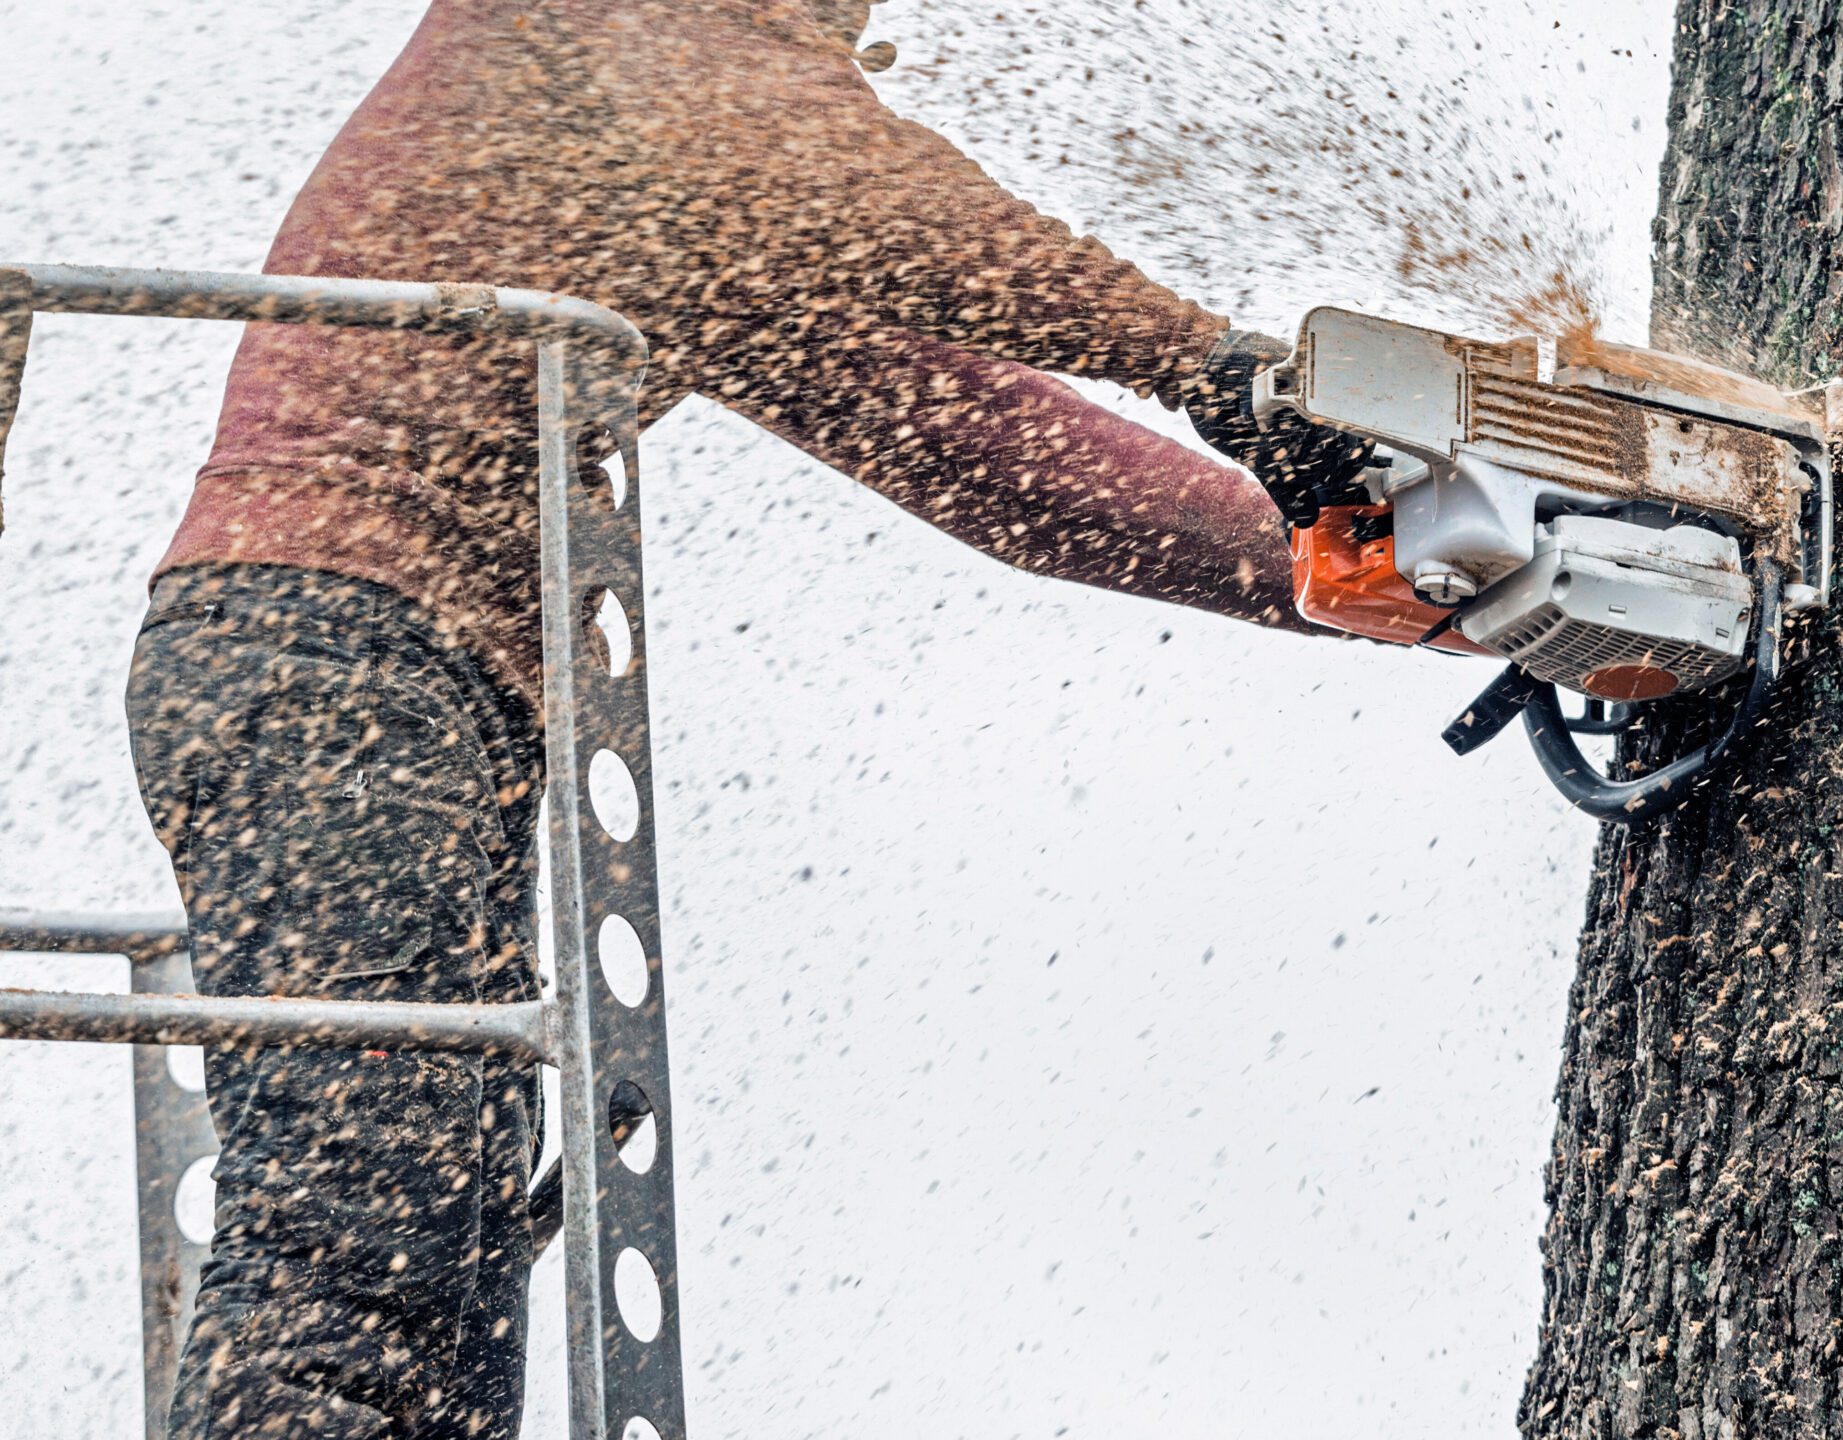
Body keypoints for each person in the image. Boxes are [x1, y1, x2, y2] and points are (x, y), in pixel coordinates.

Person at [122, 2, 1370, 1435]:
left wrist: (1392, 578)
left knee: (452, 1250)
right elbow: (845, 176)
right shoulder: (603, 37)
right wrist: (1209, 363)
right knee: (364, 1215)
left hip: (398, 696)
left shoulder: (702, 195)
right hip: (324, 664)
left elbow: (1005, 459)